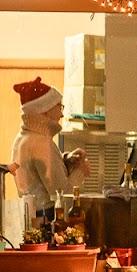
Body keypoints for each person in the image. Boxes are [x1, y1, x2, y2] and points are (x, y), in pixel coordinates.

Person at [10, 77, 89, 219]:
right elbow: (63, 196)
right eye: (59, 106)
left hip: (31, 219)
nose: (62, 114)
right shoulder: (41, 144)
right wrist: (80, 171)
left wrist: (66, 160)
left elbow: (38, 175)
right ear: (44, 110)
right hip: (45, 221)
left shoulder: (23, 138)